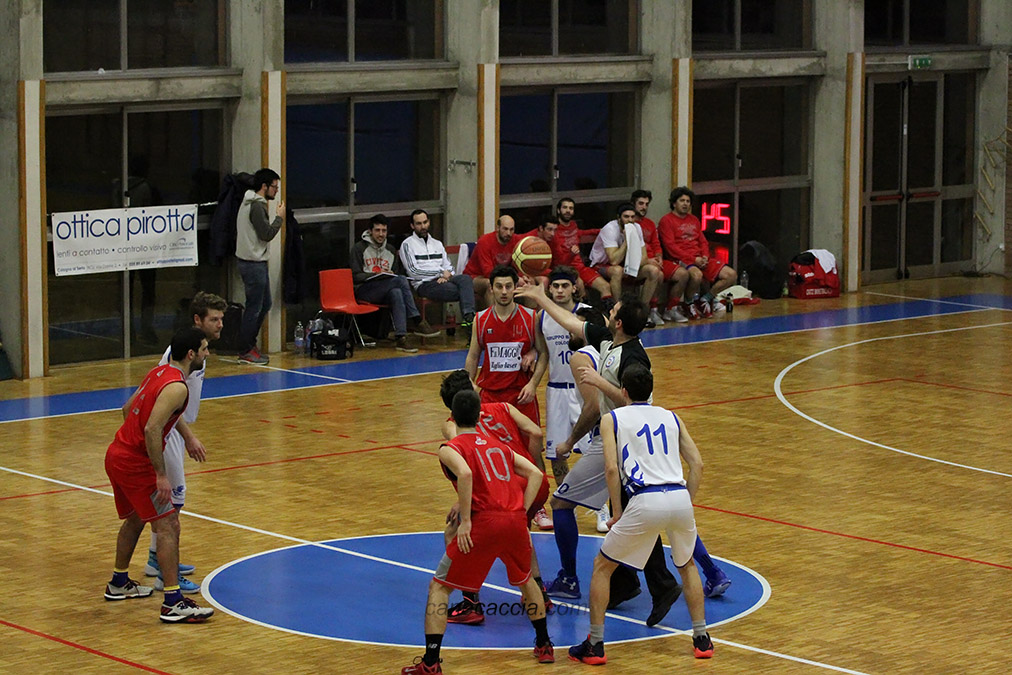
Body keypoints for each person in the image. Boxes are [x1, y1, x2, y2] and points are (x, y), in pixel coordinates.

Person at [569, 364, 714, 664]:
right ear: (650, 391)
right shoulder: (672, 417)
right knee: (687, 565)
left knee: (602, 567)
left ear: (623, 391)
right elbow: (697, 464)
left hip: (645, 498)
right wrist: (686, 503)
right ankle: (702, 639)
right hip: (678, 496)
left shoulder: (612, 419)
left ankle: (595, 644)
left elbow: (611, 469)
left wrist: (617, 511)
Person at [401, 390, 554, 674]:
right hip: (514, 521)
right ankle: (544, 644)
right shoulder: (498, 445)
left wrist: (466, 520)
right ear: (479, 416)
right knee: (526, 581)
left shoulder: (450, 447)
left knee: (439, 587)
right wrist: (522, 510)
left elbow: (466, 473)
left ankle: (430, 662)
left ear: (452, 417)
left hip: (485, 522)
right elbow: (535, 473)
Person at [103, 327, 215, 624]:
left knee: (136, 518)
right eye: (204, 349)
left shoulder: (159, 373)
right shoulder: (178, 387)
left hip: (116, 453)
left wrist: (134, 443)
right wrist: (159, 474)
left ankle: (118, 582)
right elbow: (152, 427)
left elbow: (127, 409)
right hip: (135, 464)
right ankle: (173, 602)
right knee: (168, 525)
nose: (207, 354)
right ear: (191, 354)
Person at [437, 370, 553, 626]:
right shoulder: (503, 407)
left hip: (499, 488)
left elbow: (468, 456)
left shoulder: (452, 425)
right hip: (536, 482)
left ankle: (470, 602)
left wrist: (465, 500)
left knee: (454, 530)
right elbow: (535, 432)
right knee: (519, 531)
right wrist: (533, 464)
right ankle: (539, 593)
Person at [142, 292, 226, 595]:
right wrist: (188, 436)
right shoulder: (179, 354)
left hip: (176, 430)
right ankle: (167, 574)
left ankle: (156, 559)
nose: (220, 325)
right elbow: (163, 399)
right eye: (214, 319)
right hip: (169, 433)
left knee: (171, 502)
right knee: (171, 503)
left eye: (221, 319)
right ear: (197, 320)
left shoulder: (198, 351)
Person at [465, 264, 551, 529]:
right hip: (490, 398)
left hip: (520, 396)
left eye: (508, 286)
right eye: (499, 287)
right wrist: (469, 386)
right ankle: (495, 502)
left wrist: (533, 384)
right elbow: (473, 355)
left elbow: (543, 353)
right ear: (491, 289)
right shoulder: (481, 320)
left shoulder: (530, 317)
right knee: (491, 454)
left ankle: (538, 506)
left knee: (532, 450)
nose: (504, 291)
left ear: (516, 288)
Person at [351, 214, 440, 353]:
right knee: (400, 280)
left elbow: (395, 275)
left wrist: (388, 275)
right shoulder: (358, 248)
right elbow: (355, 276)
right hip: (364, 290)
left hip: (386, 290)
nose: (381, 234)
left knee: (397, 292)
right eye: (377, 230)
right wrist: (377, 275)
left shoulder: (391, 250)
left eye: (384, 231)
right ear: (370, 231)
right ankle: (417, 319)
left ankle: (401, 337)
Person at [657, 186, 738, 320]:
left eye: (688, 201)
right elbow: (670, 247)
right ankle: (688, 303)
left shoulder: (694, 219)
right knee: (696, 275)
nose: (685, 204)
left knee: (731, 275)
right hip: (681, 259)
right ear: (674, 203)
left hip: (700, 258)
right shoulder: (666, 220)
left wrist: (705, 256)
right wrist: (693, 260)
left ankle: (706, 299)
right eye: (682, 201)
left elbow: (703, 241)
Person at [399, 209, 476, 337]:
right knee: (465, 291)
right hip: (424, 284)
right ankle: (471, 324)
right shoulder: (407, 245)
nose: (423, 226)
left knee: (465, 279)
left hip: (444, 280)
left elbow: (449, 267)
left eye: (425, 222)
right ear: (412, 226)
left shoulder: (437, 244)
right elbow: (413, 272)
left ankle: (469, 317)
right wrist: (439, 273)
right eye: (419, 224)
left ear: (429, 222)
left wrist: (446, 276)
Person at [236, 168, 284, 365]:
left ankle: (249, 344)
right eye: (274, 187)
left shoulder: (250, 201)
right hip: (252, 263)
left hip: (254, 261)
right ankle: (245, 348)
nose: (276, 191)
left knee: (265, 304)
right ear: (264, 186)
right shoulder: (256, 205)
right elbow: (267, 234)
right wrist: (279, 218)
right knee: (254, 307)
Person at [588, 203, 663, 321]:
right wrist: (627, 240)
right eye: (626, 217)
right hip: (600, 265)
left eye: (632, 217)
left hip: (625, 264)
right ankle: (618, 312)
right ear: (619, 218)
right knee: (617, 271)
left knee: (653, 271)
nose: (630, 220)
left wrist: (631, 266)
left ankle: (641, 312)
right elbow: (614, 260)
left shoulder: (637, 227)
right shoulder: (610, 229)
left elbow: (643, 258)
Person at [632, 189, 684, 325]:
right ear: (633, 204)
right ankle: (647, 311)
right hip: (639, 263)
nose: (644, 207)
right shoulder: (629, 224)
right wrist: (648, 261)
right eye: (641, 203)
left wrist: (659, 256)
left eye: (646, 204)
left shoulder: (649, 223)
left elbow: (656, 243)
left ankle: (671, 309)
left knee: (682, 274)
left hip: (654, 260)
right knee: (657, 274)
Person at [549, 199, 614, 308]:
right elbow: (559, 262)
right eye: (565, 207)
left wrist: (602, 231)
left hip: (580, 267)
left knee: (605, 286)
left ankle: (608, 315)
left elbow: (581, 233)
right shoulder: (554, 230)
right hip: (564, 270)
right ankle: (584, 314)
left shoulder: (573, 225)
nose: (568, 211)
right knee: (580, 287)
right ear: (558, 210)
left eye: (571, 208)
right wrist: (571, 254)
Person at [463, 215, 521, 309]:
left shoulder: (517, 241)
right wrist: (514, 279)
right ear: (497, 228)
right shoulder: (485, 241)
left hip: (503, 276)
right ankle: (494, 317)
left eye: (511, 230)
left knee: (528, 284)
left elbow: (521, 264)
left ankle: (531, 317)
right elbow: (488, 272)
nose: (508, 233)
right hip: (476, 277)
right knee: (491, 285)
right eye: (505, 229)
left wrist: (523, 277)